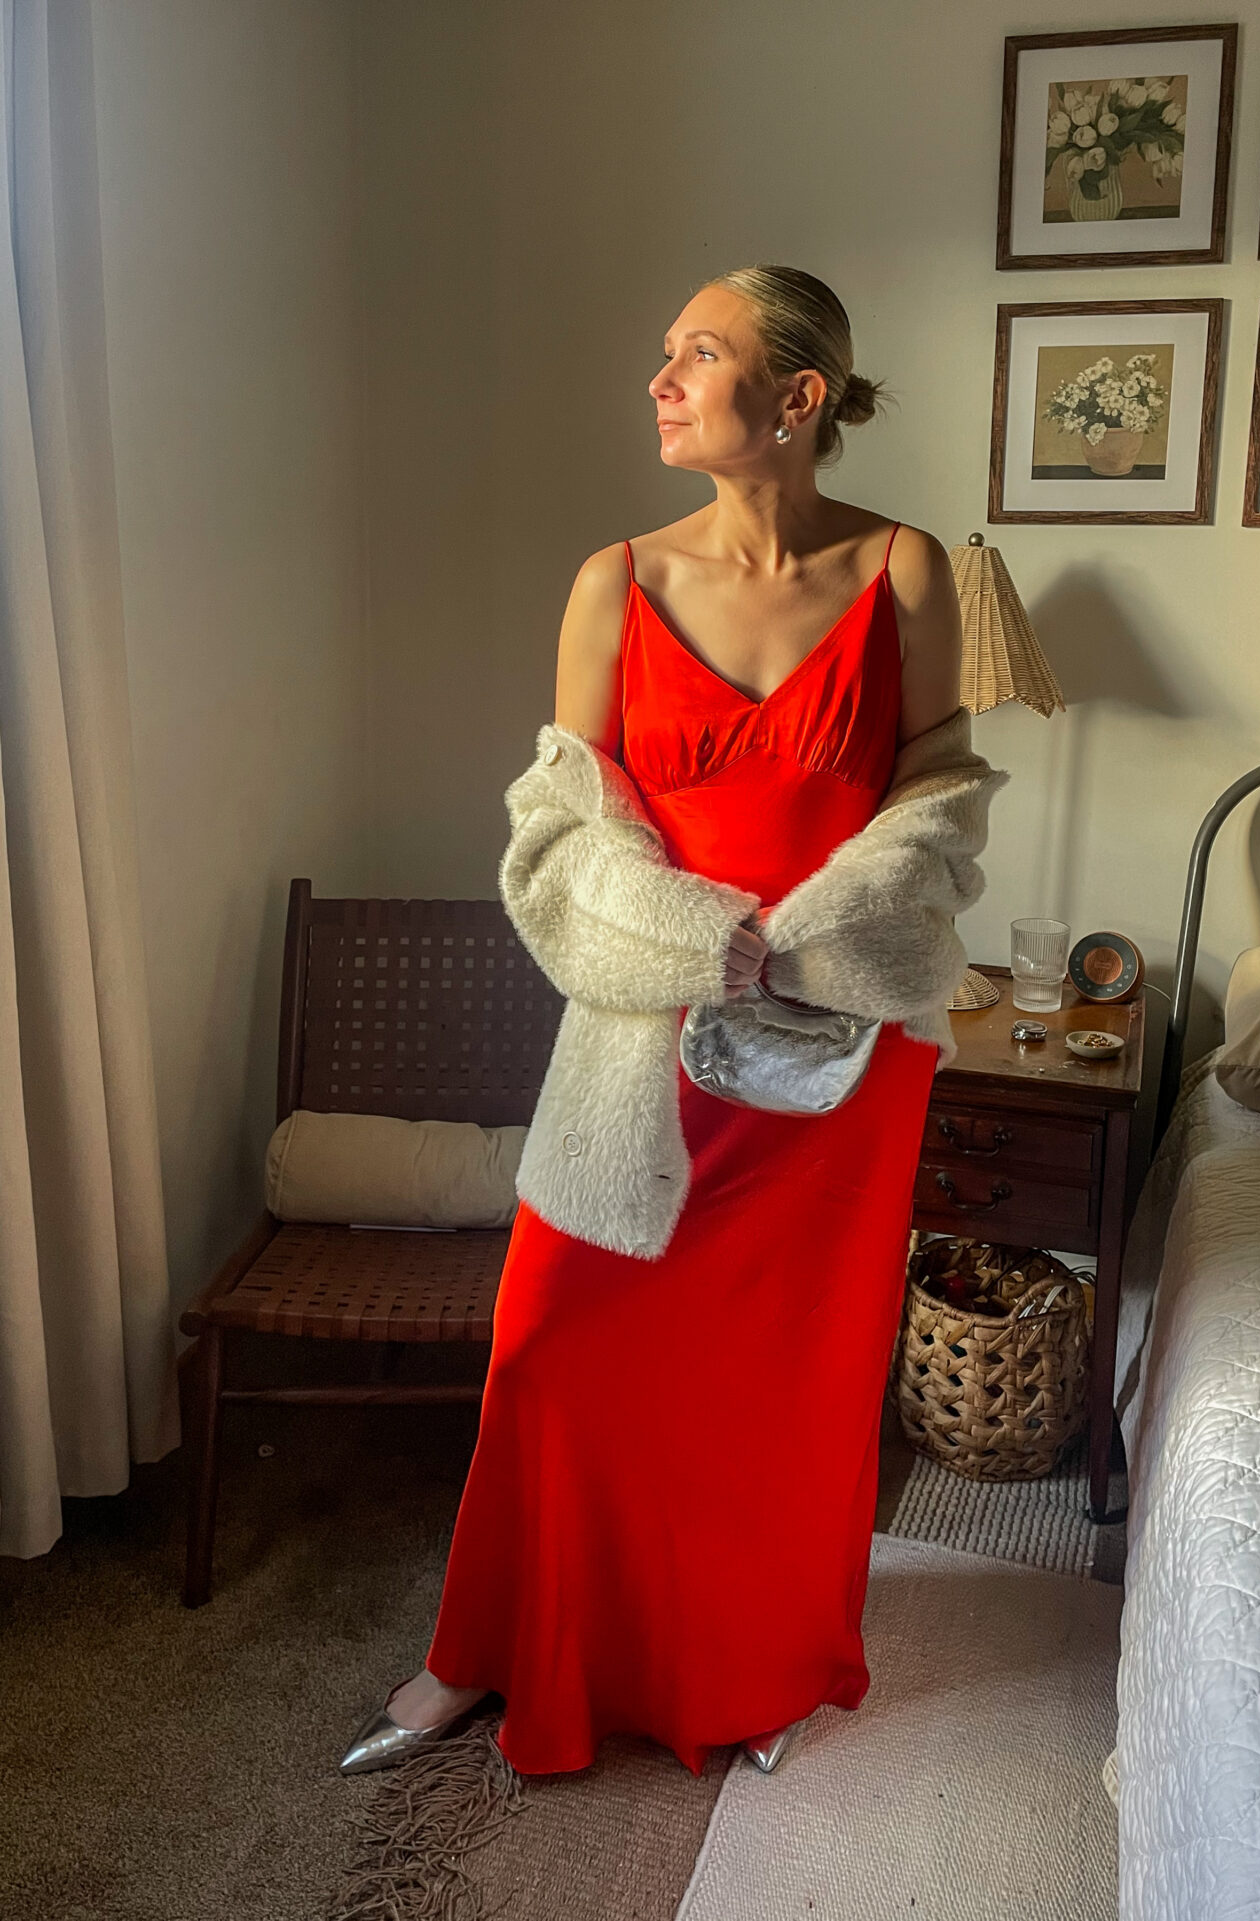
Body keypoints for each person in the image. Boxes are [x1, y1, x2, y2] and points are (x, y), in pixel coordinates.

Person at [341, 263, 968, 1780]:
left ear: (799, 398)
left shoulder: (910, 573)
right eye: (667, 354)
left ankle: (748, 1664)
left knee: (780, 1384)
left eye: (698, 353)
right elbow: (569, 814)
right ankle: (481, 1652)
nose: (660, 379)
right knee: (547, 1339)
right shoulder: (613, 581)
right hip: (642, 1043)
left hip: (835, 1055)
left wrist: (814, 936)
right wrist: (703, 935)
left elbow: (941, 790)